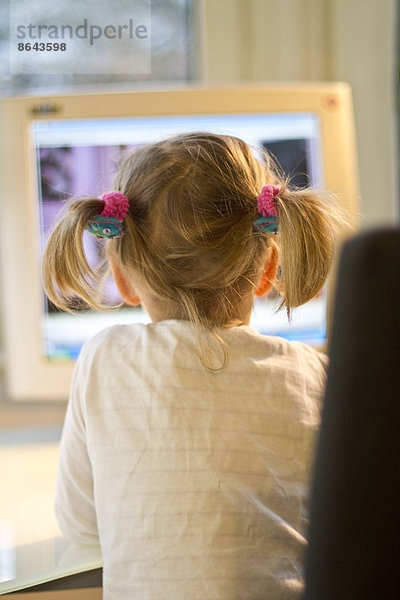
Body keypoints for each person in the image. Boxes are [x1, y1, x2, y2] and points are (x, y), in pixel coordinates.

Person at [42, 132, 345, 600]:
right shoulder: (315, 375)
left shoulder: (102, 358)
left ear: (122, 279)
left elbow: (81, 525)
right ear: (268, 271)